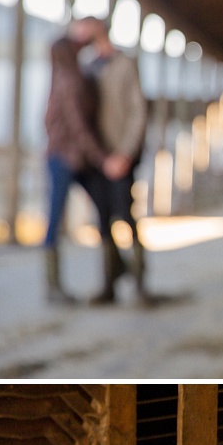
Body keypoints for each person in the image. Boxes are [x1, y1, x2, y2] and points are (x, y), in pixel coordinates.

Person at [71, 16, 151, 304]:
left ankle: (141, 284)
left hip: (121, 157)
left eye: (83, 30)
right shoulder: (87, 69)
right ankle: (109, 284)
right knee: (102, 219)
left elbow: (138, 111)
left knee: (127, 215)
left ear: (98, 30)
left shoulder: (125, 64)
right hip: (97, 158)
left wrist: (125, 153)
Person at [41, 36, 111, 304]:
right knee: (57, 219)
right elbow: (79, 126)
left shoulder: (61, 78)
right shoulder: (70, 81)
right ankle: (53, 286)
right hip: (67, 158)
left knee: (98, 209)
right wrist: (101, 156)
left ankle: (114, 272)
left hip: (71, 157)